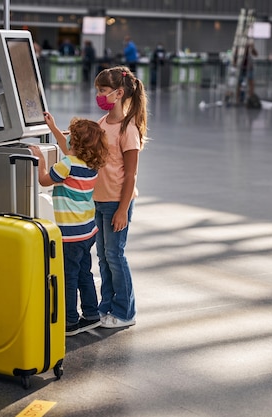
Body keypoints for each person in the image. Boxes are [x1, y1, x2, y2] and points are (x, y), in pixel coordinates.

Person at [30, 114, 109, 336]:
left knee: (68, 277)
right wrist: (53, 127)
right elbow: (68, 149)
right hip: (87, 231)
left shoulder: (67, 164)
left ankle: (70, 321)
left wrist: (40, 160)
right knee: (85, 272)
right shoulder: (90, 164)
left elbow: (44, 180)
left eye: (70, 136)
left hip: (70, 236)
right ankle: (92, 314)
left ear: (74, 142)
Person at [93, 66, 148, 329]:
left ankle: (125, 311)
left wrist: (122, 210)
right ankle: (107, 307)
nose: (99, 95)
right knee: (103, 256)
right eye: (98, 90)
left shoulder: (129, 130)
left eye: (103, 90)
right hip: (100, 200)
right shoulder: (103, 123)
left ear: (119, 93)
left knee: (115, 255)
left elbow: (131, 176)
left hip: (117, 201)